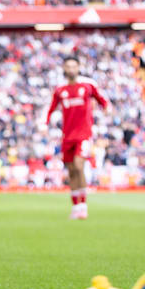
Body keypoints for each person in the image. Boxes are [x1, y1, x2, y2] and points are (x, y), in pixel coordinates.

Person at [46, 56, 109, 220]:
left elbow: (103, 101)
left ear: (78, 67)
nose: (71, 69)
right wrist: (45, 123)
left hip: (84, 134)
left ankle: (83, 205)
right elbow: (51, 108)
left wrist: (106, 109)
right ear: (64, 69)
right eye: (68, 66)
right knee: (72, 170)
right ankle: (75, 206)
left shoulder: (88, 85)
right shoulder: (60, 89)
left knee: (79, 165)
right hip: (67, 135)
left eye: (74, 66)